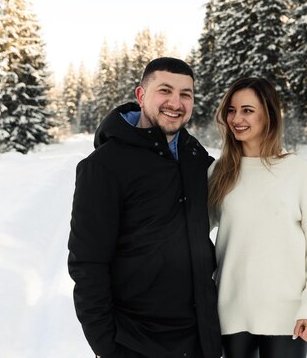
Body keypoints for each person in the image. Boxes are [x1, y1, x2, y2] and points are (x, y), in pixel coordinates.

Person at [68, 57, 222, 358]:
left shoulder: (195, 156)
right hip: (136, 342)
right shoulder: (104, 166)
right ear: (141, 95)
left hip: (199, 339)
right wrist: (107, 345)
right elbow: (87, 264)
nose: (175, 103)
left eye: (185, 94)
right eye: (165, 90)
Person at [208, 77, 307, 358]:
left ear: (268, 114)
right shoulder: (220, 172)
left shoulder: (296, 171)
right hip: (231, 314)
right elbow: (190, 235)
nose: (236, 118)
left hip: (287, 317)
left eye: (247, 110)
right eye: (231, 110)